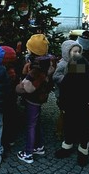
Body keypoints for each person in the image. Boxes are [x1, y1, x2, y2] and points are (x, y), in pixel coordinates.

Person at [54, 54, 89, 167]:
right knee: (69, 128)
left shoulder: (88, 78)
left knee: (84, 130)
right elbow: (63, 93)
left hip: (84, 109)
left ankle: (83, 150)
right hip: (71, 109)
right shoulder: (71, 76)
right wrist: (63, 106)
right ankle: (68, 146)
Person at [16, 34, 55, 164]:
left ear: (33, 50)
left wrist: (17, 87)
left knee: (30, 125)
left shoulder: (36, 68)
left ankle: (28, 153)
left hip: (33, 98)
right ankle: (39, 146)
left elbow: (26, 87)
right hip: (40, 97)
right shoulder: (48, 61)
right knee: (36, 122)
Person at [52, 39, 82, 139]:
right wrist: (66, 79)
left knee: (72, 114)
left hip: (74, 94)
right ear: (67, 52)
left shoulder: (76, 63)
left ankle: (70, 131)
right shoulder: (62, 64)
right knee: (63, 113)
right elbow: (55, 77)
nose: (77, 54)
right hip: (62, 94)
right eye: (74, 52)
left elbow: (80, 74)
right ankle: (59, 131)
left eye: (78, 51)